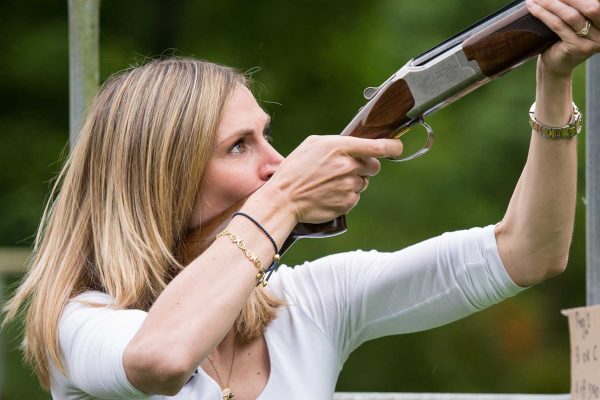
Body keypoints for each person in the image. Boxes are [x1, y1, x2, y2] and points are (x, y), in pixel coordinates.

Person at [3, 0, 599, 398]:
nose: (277, 163)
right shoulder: (82, 323)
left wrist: (554, 82)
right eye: (239, 146)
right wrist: (285, 199)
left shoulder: (307, 302)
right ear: (162, 182)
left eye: (267, 135)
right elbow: (160, 358)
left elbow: (529, 252)